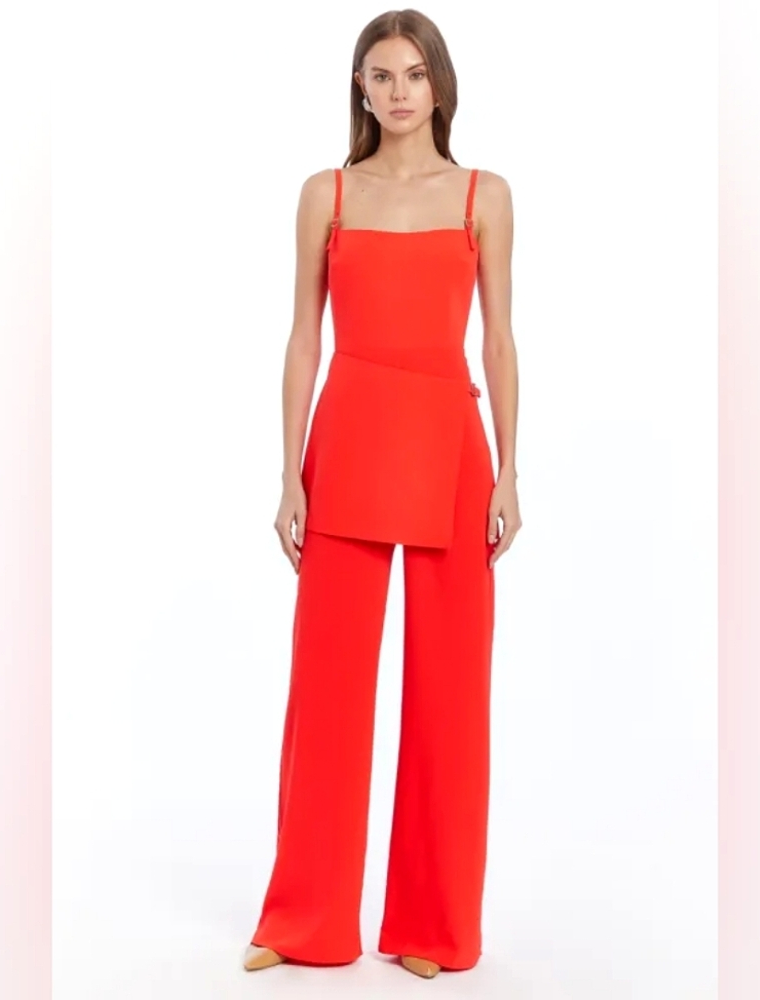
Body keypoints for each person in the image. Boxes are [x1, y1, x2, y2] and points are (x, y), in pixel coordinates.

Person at [243, 8, 521, 980]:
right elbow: (302, 338)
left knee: (450, 695)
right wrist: (289, 471)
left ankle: (433, 927)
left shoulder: (483, 195)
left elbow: (497, 340)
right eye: (380, 75)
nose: (398, 92)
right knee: (325, 689)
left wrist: (510, 469)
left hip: (451, 448)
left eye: (413, 74)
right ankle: (303, 919)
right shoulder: (327, 194)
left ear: (439, 84)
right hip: (350, 439)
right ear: (359, 89)